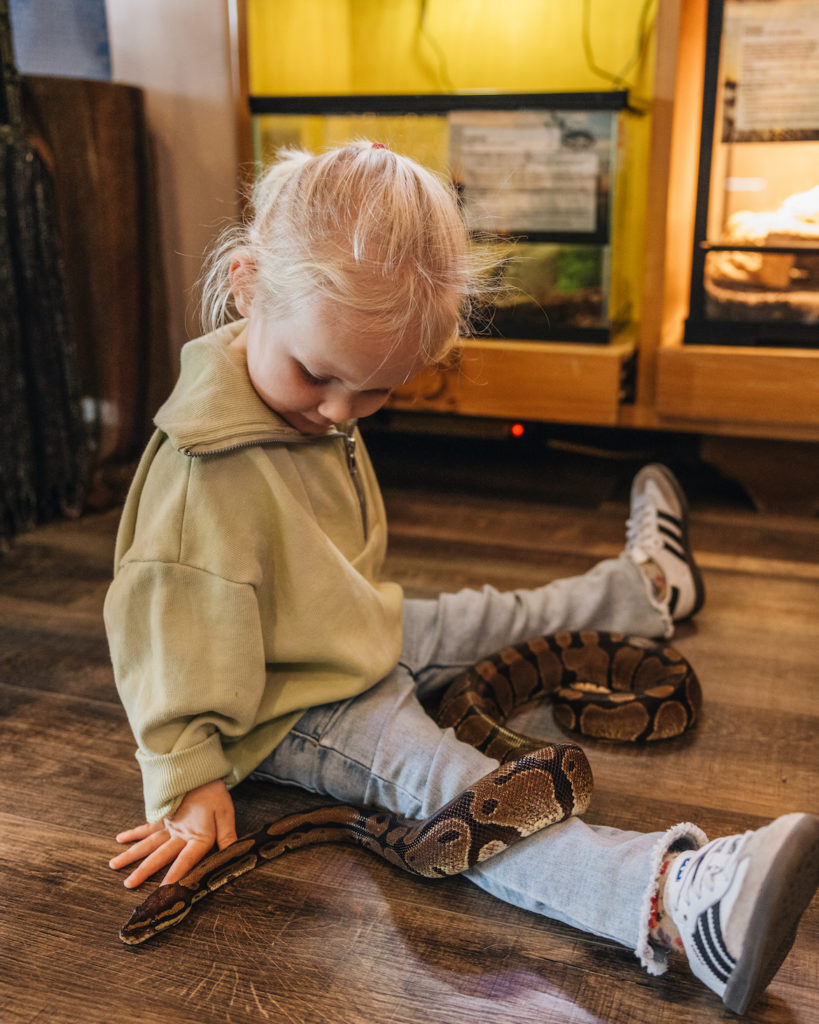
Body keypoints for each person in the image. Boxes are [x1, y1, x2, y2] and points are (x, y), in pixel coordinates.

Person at [105, 142, 818, 1015]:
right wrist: (184, 776)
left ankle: (644, 591)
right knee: (449, 787)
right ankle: (675, 899)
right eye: (320, 378)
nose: (336, 412)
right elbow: (161, 636)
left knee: (487, 616)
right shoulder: (198, 485)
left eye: (373, 394)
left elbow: (322, 551)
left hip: (341, 630)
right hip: (288, 702)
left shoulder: (293, 373)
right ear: (248, 286)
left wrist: (365, 615)